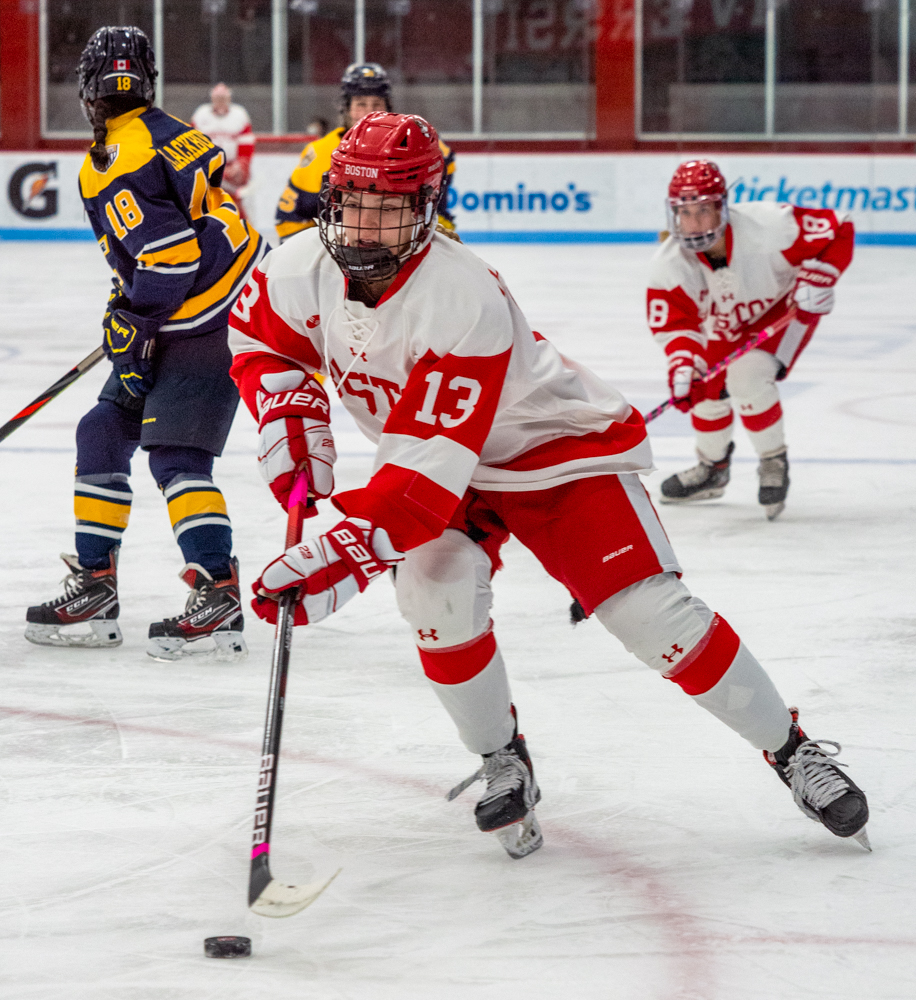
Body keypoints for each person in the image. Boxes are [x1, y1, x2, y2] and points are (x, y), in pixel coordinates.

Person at [228, 112, 870, 859]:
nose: (369, 226)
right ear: (332, 196)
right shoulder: (295, 266)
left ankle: (792, 752)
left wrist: (349, 548)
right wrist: (287, 406)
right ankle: (503, 758)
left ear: (426, 208)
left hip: (553, 454)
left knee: (649, 614)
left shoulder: (460, 293)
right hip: (437, 466)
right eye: (357, 203)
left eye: (392, 207)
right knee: (434, 594)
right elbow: (260, 340)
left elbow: (422, 478)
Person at [25, 26, 265, 662]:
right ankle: (97, 586)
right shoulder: (167, 128)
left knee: (176, 458)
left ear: (88, 91)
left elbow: (169, 258)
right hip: (198, 305)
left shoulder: (115, 158)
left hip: (209, 317)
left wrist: (134, 321)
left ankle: (217, 593)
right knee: (101, 432)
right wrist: (129, 310)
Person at [647, 160, 854, 519]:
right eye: (684, 213)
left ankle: (773, 459)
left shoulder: (770, 227)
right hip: (727, 326)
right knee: (703, 385)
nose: (693, 223)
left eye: (704, 211)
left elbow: (839, 228)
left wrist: (820, 277)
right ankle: (713, 468)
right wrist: (683, 365)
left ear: (723, 208)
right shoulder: (669, 264)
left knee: (747, 377)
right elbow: (678, 326)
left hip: (783, 311)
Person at [274, 62, 456, 243]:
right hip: (340, 256)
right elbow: (290, 220)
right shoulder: (319, 152)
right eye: (361, 104)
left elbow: (437, 212)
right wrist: (320, 256)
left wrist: (435, 242)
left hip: (401, 250)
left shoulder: (421, 147)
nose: (370, 111)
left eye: (377, 103)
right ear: (346, 108)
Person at [192, 83, 255, 219]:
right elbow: (193, 146)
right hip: (208, 167)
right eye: (218, 98)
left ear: (229, 99)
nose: (220, 102)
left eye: (223, 98)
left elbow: (247, 145)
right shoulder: (200, 114)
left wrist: (240, 166)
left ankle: (244, 230)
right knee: (207, 202)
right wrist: (209, 167)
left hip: (233, 169)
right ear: (212, 99)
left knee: (238, 203)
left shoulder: (240, 115)